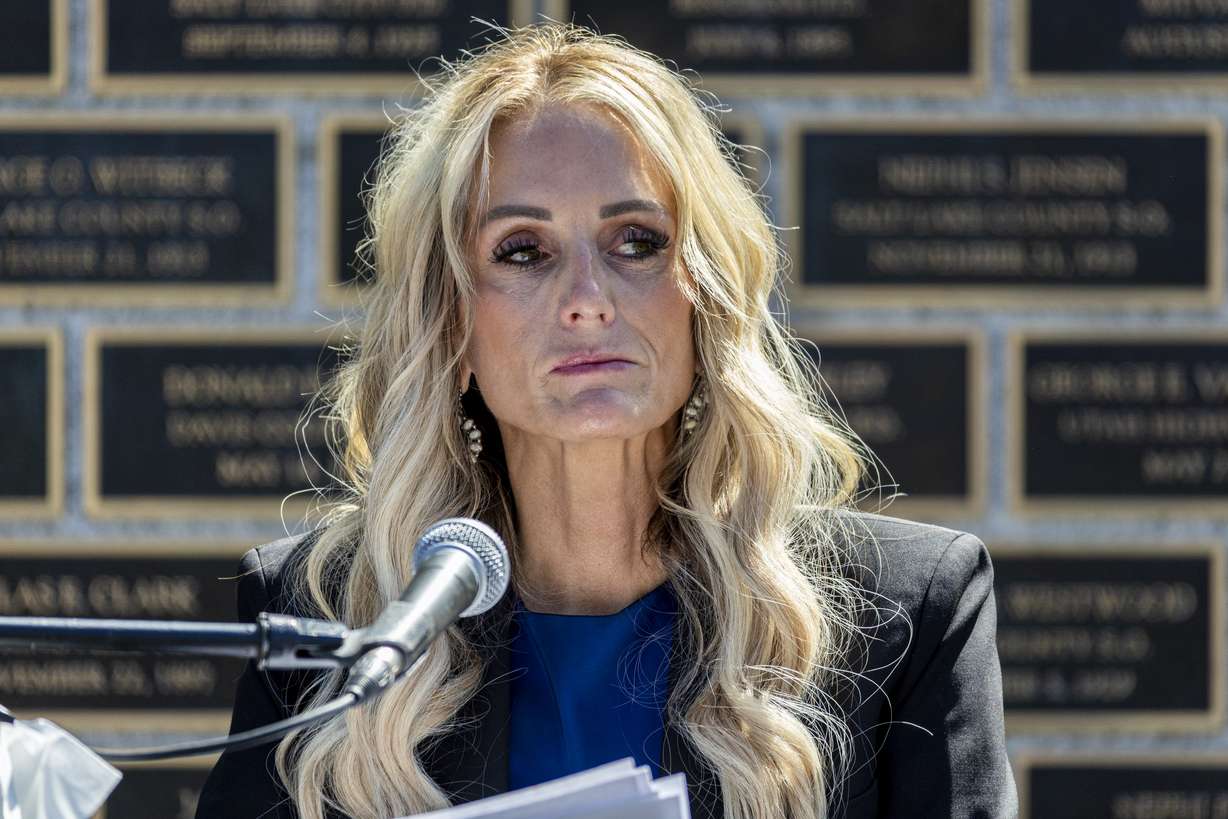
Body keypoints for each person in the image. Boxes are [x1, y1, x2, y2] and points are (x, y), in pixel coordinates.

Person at [195, 22, 1017, 819]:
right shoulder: (331, 615)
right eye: (523, 249)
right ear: (451, 321)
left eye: (636, 241)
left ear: (704, 290)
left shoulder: (905, 614)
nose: (588, 300)